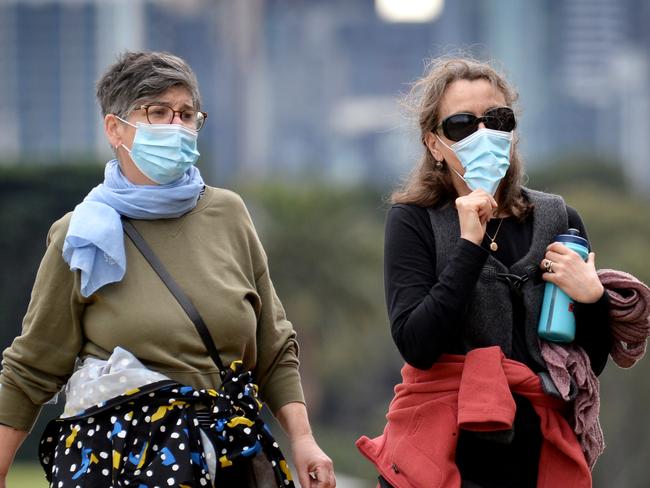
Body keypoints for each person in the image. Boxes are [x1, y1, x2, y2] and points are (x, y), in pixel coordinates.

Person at [0, 51, 335, 488]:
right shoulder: (80, 234)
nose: (176, 127)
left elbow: (273, 346)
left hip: (230, 457)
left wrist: (304, 439)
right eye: (158, 112)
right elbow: (33, 366)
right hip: (122, 463)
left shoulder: (228, 214)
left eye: (187, 114)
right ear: (115, 129)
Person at [357, 57, 612, 487]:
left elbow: (588, 363)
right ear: (434, 144)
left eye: (497, 119)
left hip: (534, 455)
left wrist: (594, 299)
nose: (482, 135)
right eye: (461, 125)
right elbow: (417, 344)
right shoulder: (414, 220)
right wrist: (469, 245)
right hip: (442, 452)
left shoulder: (558, 219)